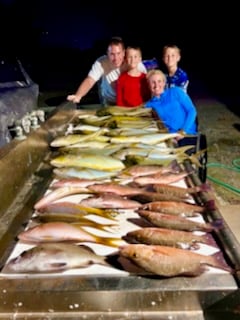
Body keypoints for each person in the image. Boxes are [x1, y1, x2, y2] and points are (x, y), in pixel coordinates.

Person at [67, 37, 146, 106]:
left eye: (118, 53)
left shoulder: (133, 62)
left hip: (127, 101)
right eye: (112, 54)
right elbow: (90, 80)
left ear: (123, 52)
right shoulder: (101, 62)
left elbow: (147, 81)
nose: (116, 58)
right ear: (107, 53)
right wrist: (78, 95)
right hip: (109, 100)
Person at [145, 69, 197, 135]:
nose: (156, 85)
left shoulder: (176, 91)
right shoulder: (149, 105)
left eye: (159, 81)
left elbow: (191, 110)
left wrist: (184, 130)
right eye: (153, 82)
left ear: (164, 83)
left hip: (187, 133)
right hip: (169, 138)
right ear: (149, 85)